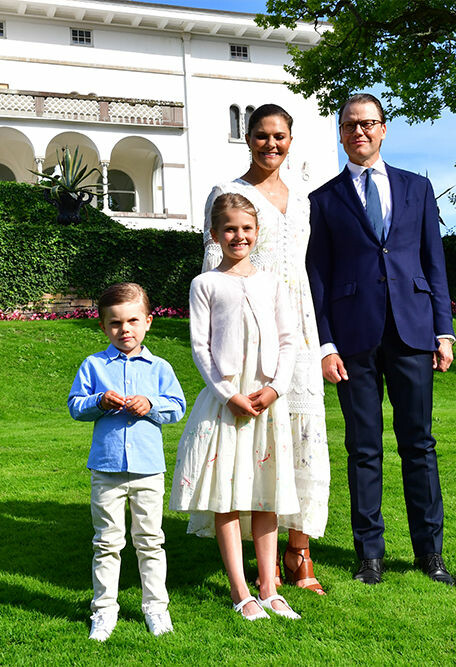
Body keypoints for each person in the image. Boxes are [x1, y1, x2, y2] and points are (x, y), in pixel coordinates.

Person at [305, 92, 454, 587]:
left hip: (413, 332)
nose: (359, 132)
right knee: (362, 447)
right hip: (353, 339)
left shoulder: (418, 188)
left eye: (368, 123)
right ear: (341, 133)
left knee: (420, 445)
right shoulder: (324, 200)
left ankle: (429, 553)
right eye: (350, 125)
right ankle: (369, 553)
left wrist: (443, 331)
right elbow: (318, 278)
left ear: (384, 129)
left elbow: (434, 263)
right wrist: (325, 345)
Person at [199, 103, 330, 595]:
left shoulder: (304, 199)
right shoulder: (228, 194)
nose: (271, 144)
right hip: (251, 334)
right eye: (261, 136)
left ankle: (299, 554)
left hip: (301, 326)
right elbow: (214, 276)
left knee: (304, 433)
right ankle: (264, 567)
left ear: (291, 140)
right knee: (260, 442)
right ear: (247, 138)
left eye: (280, 136)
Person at [170, 193, 301, 621]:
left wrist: (276, 389)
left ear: (257, 233)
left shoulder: (272, 283)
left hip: (265, 402)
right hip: (228, 403)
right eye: (229, 229)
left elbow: (288, 340)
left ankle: (269, 587)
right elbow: (200, 348)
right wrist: (230, 394)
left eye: (246, 229)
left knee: (266, 496)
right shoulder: (204, 285)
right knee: (227, 495)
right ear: (215, 235)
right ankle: (240, 590)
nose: (238, 236)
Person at [68, 282, 186, 641]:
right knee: (106, 542)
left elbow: (177, 407)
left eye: (133, 321)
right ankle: (104, 610)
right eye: (115, 323)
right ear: (103, 327)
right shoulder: (93, 365)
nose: (125, 330)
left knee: (150, 540)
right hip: (106, 469)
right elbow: (75, 406)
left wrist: (151, 404)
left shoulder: (160, 367)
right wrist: (98, 402)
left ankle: (156, 608)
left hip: (148, 469)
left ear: (148, 322)